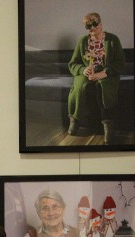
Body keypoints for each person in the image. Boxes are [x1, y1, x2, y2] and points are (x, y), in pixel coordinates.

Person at [67, 12, 125, 143]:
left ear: (101, 24)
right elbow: (73, 63)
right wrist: (83, 69)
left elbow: (121, 63)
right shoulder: (82, 41)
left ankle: (108, 125)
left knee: (103, 86)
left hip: (106, 72)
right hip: (88, 72)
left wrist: (105, 72)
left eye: (95, 25)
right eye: (88, 27)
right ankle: (74, 119)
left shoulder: (112, 40)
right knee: (80, 86)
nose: (92, 29)